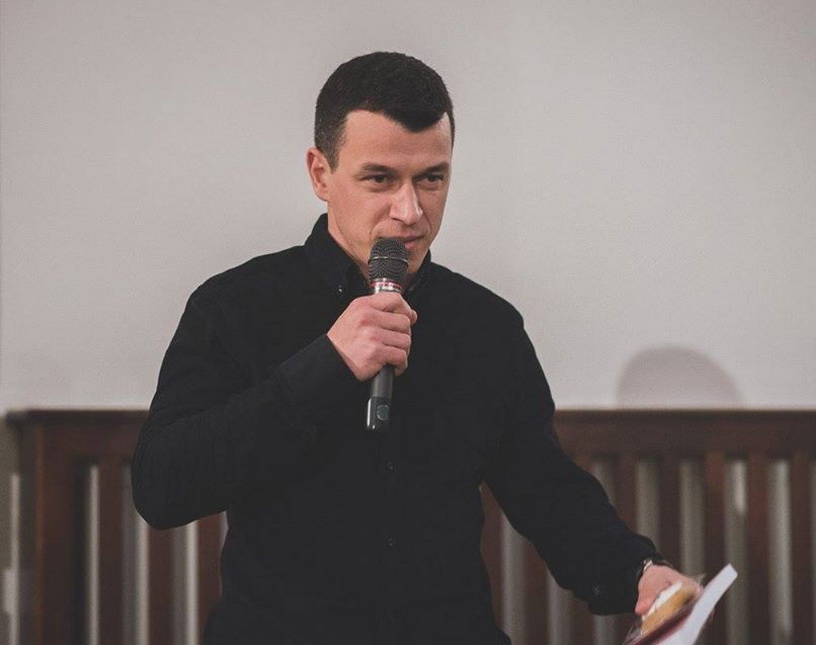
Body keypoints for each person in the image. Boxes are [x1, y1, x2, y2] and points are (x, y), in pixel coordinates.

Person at [132, 51, 697, 644]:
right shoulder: (235, 306)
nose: (411, 211)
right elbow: (162, 487)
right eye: (380, 179)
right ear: (321, 174)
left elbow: (545, 489)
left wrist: (638, 573)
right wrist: (325, 365)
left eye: (432, 178)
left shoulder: (486, 325)